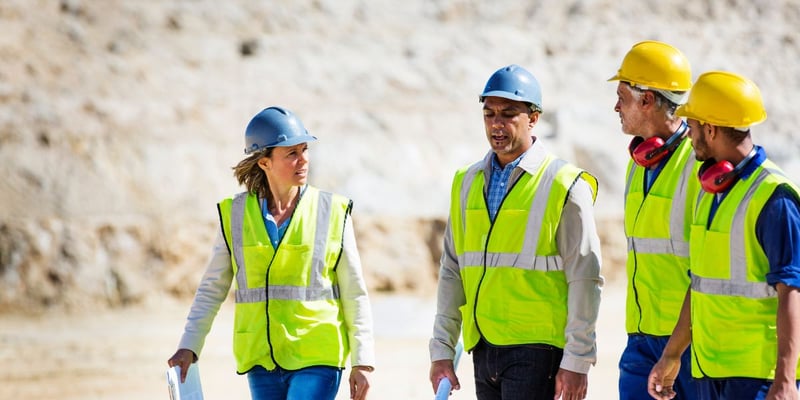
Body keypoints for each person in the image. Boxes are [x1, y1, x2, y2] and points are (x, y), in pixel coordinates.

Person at [167, 106, 376, 400]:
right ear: (264, 162)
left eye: (305, 150)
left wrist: (363, 361)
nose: (303, 160)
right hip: (261, 359)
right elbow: (212, 288)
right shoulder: (236, 214)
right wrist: (189, 345)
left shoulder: (333, 211)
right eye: (291, 153)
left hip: (318, 354)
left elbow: (355, 292)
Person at [428, 64, 604, 400]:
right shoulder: (466, 182)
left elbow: (586, 277)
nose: (496, 123)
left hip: (537, 351)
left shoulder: (564, 184)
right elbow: (452, 270)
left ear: (534, 118)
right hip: (484, 348)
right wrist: (441, 350)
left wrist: (578, 360)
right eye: (489, 113)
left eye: (509, 114)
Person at [647, 71, 800, 400]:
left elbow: (793, 290)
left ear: (711, 129)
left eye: (694, 126)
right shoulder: (710, 191)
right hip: (709, 373)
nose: (689, 135)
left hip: (757, 379)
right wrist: (672, 354)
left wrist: (785, 381)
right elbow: (701, 283)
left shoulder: (776, 198)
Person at [607, 40, 699, 399]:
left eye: (622, 96)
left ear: (647, 99)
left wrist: (676, 349)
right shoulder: (638, 163)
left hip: (690, 345)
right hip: (640, 341)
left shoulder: (697, 167)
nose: (616, 106)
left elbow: (709, 269)